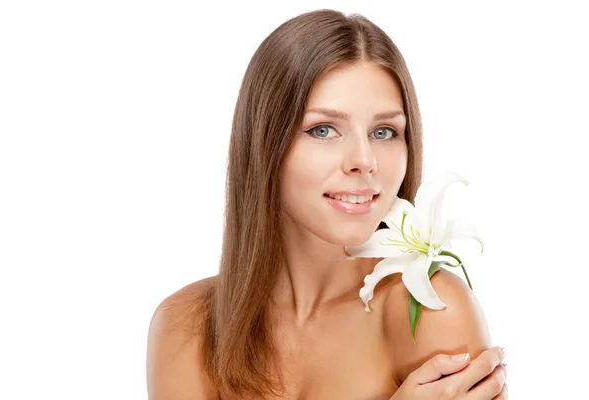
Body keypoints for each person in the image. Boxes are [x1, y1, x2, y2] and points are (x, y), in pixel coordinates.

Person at [146, 9, 508, 400]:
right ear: (264, 144)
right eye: (323, 130)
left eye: (384, 132)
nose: (364, 160)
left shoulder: (432, 310)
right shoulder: (189, 326)